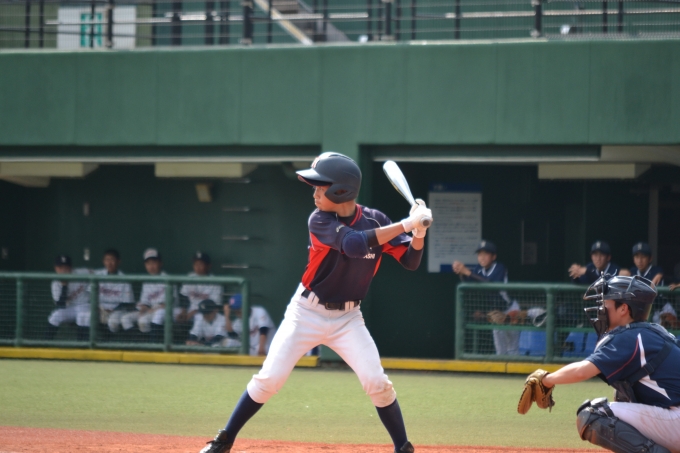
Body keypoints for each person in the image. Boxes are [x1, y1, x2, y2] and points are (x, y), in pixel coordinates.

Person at [198, 152, 431, 453]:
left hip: (349, 319)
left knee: (377, 383)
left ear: (341, 190)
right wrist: (407, 223)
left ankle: (403, 447)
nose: (315, 193)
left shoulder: (376, 220)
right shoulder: (319, 219)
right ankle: (224, 440)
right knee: (269, 380)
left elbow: (411, 261)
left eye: (321, 187)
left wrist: (419, 233)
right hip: (306, 312)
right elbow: (354, 244)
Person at [522, 275, 680, 453]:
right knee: (623, 395)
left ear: (623, 308)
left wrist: (546, 380)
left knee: (592, 415)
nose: (601, 309)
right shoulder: (654, 332)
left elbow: (582, 371)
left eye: (606, 303)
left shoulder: (630, 337)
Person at [453, 240, 520, 355]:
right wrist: (461, 273)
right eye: (479, 254)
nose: (482, 257)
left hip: (510, 310)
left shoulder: (500, 267)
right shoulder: (478, 269)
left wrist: (468, 272)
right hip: (496, 313)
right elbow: (469, 282)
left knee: (512, 349)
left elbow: (491, 285)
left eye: (486, 254)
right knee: (500, 351)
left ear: (494, 256)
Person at [122, 248, 177, 340]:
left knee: (144, 320)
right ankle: (137, 343)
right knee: (125, 318)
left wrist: (151, 310)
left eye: (154, 262)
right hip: (151, 311)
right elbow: (145, 302)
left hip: (167, 311)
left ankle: (151, 343)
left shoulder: (168, 279)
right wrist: (142, 310)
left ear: (160, 263)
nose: (151, 266)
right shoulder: (147, 282)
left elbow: (169, 303)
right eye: (148, 263)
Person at [46, 255, 91, 341]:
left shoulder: (82, 272)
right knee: (54, 316)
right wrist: (64, 286)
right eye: (60, 267)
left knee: (82, 317)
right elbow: (61, 305)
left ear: (70, 268)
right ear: (56, 268)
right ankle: (45, 345)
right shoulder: (55, 283)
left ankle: (81, 346)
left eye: (65, 267)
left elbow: (98, 275)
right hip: (69, 308)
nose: (63, 270)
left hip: (84, 305)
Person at [95, 249, 134, 334]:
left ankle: (113, 339)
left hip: (117, 309)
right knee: (88, 317)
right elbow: (90, 295)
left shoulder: (124, 278)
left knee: (113, 322)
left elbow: (127, 302)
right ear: (103, 261)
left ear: (118, 261)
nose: (109, 263)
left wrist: (112, 310)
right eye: (107, 260)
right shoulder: (98, 275)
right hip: (100, 308)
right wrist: (97, 307)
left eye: (112, 260)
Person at [178, 252, 222, 322]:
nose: (197, 267)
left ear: (208, 266)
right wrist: (183, 311)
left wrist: (194, 312)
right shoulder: (190, 277)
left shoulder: (215, 281)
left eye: (201, 264)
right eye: (195, 264)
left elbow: (214, 305)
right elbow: (184, 297)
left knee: (199, 317)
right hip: (189, 309)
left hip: (205, 312)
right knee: (171, 313)